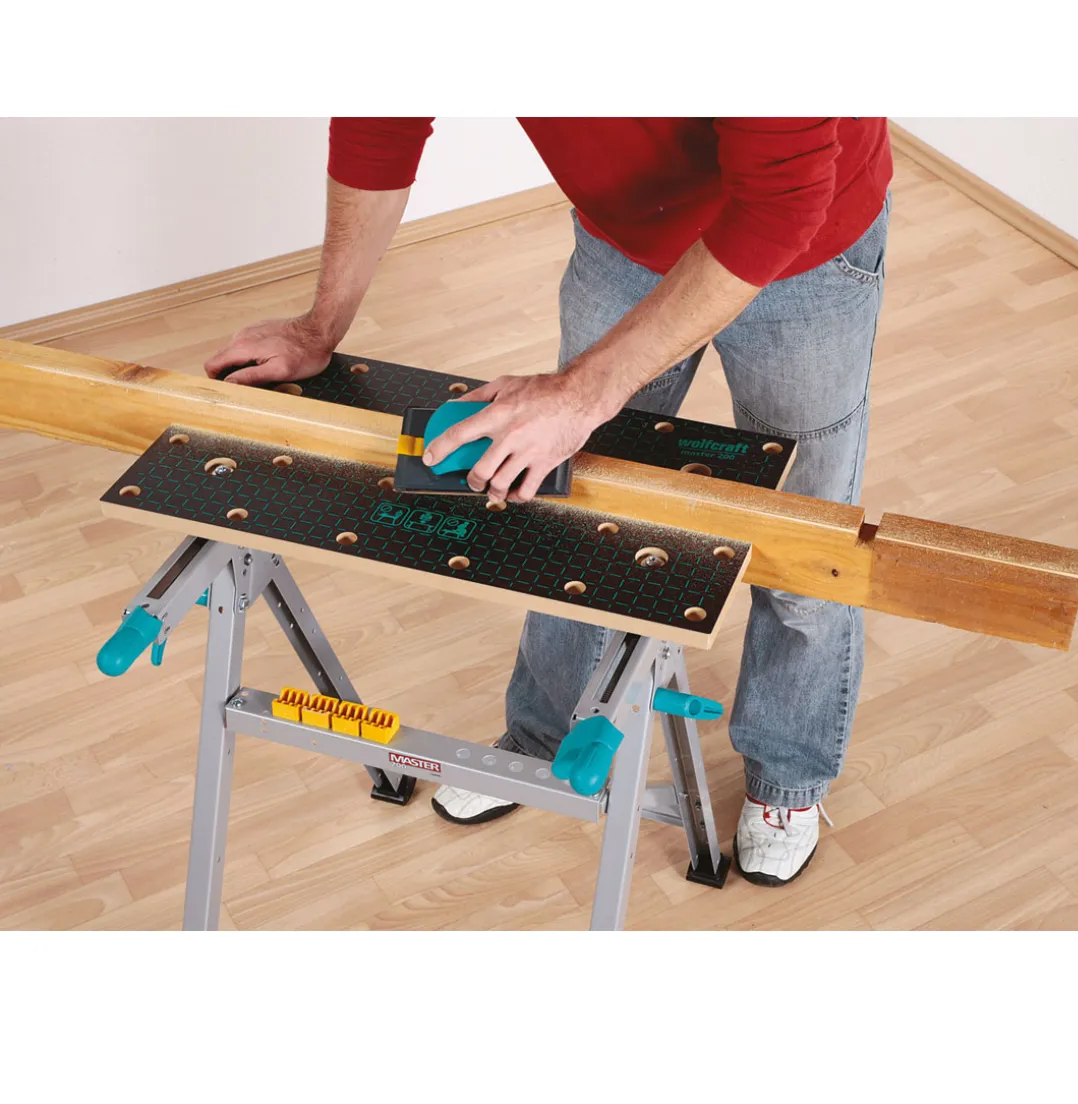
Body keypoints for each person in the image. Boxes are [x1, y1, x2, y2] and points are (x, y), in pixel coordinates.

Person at [205, 118, 893, 887]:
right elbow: (380, 125)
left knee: (805, 545)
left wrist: (581, 393)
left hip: (808, 254)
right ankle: (540, 738)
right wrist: (319, 326)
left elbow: (780, 201)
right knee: (571, 514)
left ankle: (787, 781)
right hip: (629, 241)